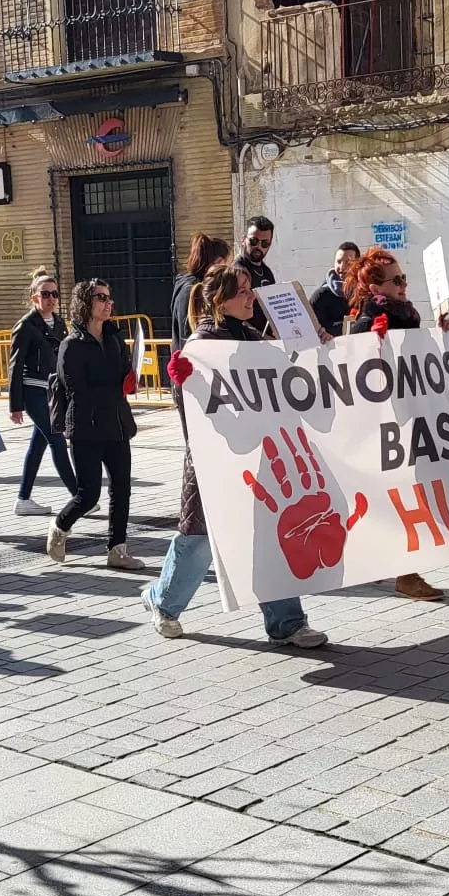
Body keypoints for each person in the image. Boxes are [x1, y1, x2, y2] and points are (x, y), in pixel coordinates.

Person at [149, 264, 327, 647]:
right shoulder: (202, 345)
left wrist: (319, 345)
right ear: (220, 300)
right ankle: (163, 603)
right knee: (198, 539)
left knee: (270, 533)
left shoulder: (251, 337)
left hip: (264, 458)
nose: (252, 297)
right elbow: (195, 413)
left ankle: (287, 622)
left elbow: (293, 378)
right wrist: (184, 379)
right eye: (243, 291)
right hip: (215, 461)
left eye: (251, 289)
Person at [346, 247, 446, 602]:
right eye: (397, 280)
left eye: (404, 278)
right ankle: (405, 573)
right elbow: (354, 359)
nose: (404, 285)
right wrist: (371, 339)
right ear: (377, 287)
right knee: (403, 494)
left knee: (413, 492)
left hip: (411, 416)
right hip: (389, 425)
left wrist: (441, 335)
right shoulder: (370, 317)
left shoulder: (407, 313)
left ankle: (405, 569)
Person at [47, 280, 145, 571]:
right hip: (86, 426)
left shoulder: (115, 338)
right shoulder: (71, 345)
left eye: (109, 297)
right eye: (101, 298)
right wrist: (113, 382)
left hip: (116, 423)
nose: (108, 303)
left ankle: (117, 549)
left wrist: (129, 378)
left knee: (121, 489)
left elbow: (124, 370)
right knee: (88, 494)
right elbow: (75, 387)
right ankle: (59, 526)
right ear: (86, 303)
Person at [7, 268, 77, 517]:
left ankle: (23, 499)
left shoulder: (59, 323)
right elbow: (15, 366)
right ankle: (79, 496)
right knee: (57, 440)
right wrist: (15, 404)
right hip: (32, 390)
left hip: (52, 390)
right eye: (45, 294)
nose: (51, 298)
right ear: (34, 297)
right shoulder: (26, 326)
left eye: (55, 294)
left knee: (38, 445)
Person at [171, 234, 231, 354]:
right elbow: (188, 334)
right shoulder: (193, 290)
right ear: (219, 262)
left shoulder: (186, 284)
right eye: (228, 265)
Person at [308, 241, 360, 337]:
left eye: (348, 262)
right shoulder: (321, 295)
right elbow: (308, 328)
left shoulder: (363, 294)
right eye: (339, 262)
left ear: (358, 264)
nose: (342, 267)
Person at [236, 215, 278, 332]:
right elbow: (235, 314)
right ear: (244, 240)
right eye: (254, 241)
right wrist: (260, 336)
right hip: (249, 341)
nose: (258, 246)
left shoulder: (267, 272)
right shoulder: (237, 271)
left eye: (264, 243)